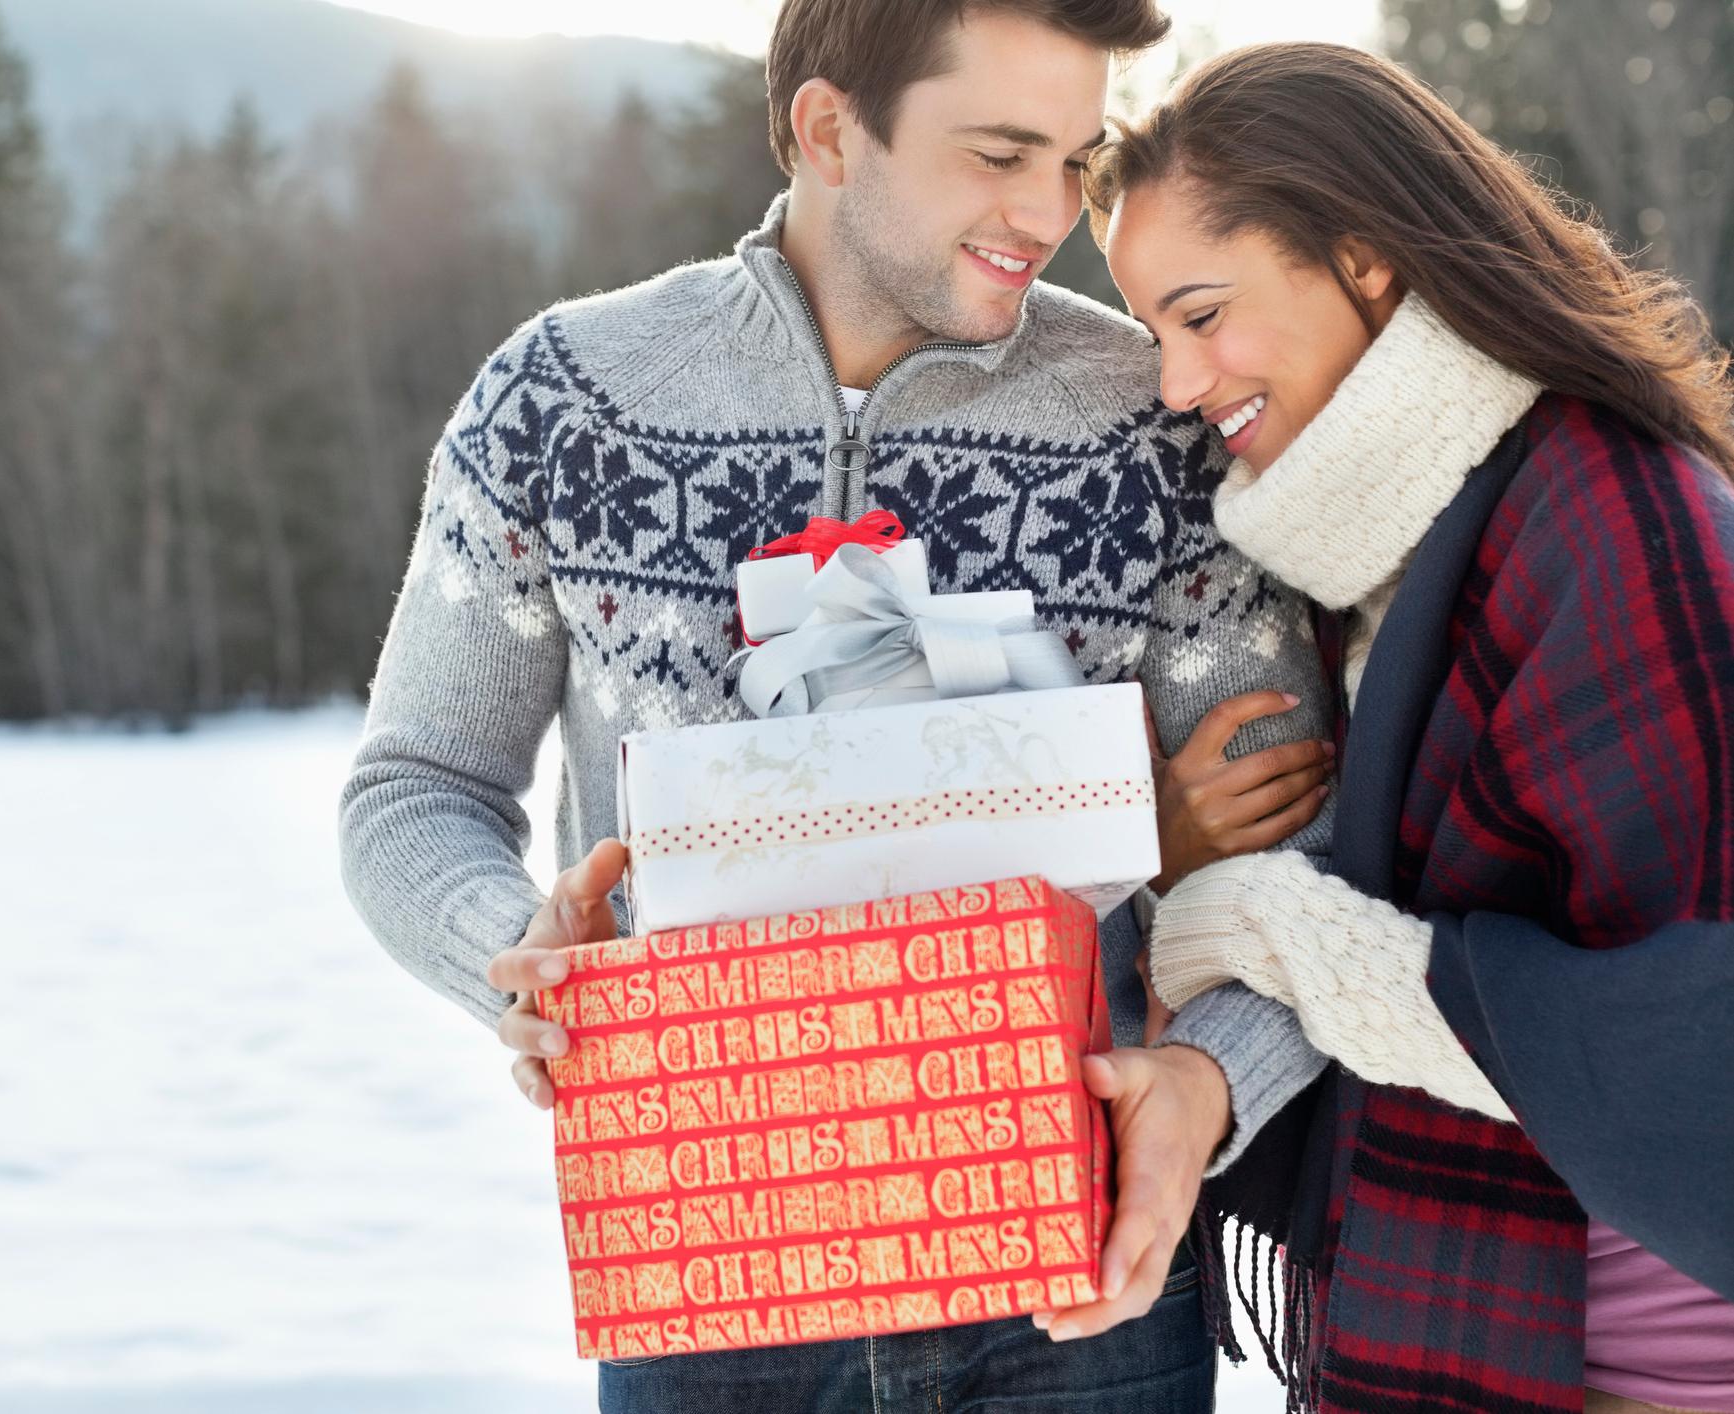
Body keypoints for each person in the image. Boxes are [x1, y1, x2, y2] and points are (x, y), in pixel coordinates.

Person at [341, 1, 1339, 1407]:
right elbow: (413, 786)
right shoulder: (564, 402)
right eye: (997, 153)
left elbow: (1307, 839)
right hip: (705, 1280)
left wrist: (1207, 1082)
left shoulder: (1149, 421)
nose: (1046, 212)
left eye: (1074, 158)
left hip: (1078, 1282)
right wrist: (519, 953)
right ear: (827, 131)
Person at [1089, 41, 1734, 1414]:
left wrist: (1267, 922)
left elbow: (1687, 1046)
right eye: (1152, 333)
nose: (1174, 383)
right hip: (1468, 1336)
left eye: (1200, 315)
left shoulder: (1608, 513)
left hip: (1639, 1367)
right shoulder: (1382, 544)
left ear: (1366, 255)